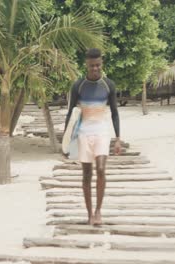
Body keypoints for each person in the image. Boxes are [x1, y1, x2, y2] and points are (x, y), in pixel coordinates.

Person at [64, 48, 121, 225]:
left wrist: (118, 138)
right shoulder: (78, 86)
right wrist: (65, 140)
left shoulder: (109, 85)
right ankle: (89, 214)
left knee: (102, 169)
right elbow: (70, 112)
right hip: (83, 133)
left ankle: (98, 211)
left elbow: (114, 113)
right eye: (91, 66)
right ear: (86, 65)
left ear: (101, 63)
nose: (95, 69)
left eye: (97, 65)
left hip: (102, 131)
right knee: (86, 174)